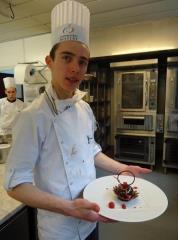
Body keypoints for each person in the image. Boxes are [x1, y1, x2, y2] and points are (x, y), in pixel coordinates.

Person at [4, 1, 151, 240]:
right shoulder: (32, 117)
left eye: (82, 61)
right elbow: (15, 184)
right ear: (49, 62)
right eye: (66, 57)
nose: (75, 68)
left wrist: (122, 168)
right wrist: (69, 208)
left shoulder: (84, 108)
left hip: (91, 217)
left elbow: (90, 150)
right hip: (59, 230)